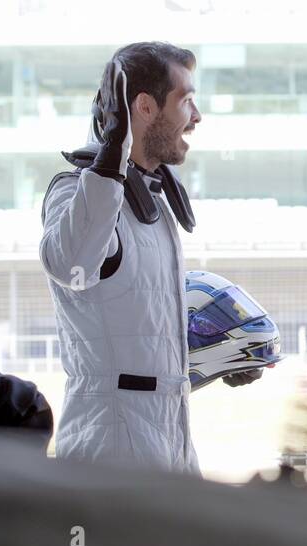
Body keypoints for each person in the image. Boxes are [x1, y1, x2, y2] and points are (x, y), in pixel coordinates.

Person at [39, 42, 257, 473]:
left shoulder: (150, 200)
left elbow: (135, 335)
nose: (196, 117)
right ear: (143, 107)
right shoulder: (77, 191)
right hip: (111, 444)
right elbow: (70, 265)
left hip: (169, 435)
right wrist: (110, 158)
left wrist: (213, 363)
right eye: (186, 101)